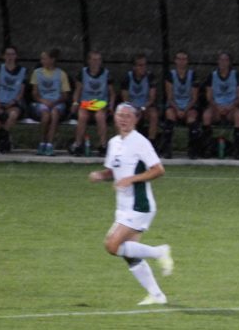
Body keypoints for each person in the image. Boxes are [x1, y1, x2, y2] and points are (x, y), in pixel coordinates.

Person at [87, 102, 174, 305]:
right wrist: (101, 175)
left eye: (128, 115)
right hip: (123, 206)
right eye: (120, 115)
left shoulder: (140, 142)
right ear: (115, 118)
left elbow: (158, 170)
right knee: (129, 252)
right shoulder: (114, 143)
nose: (124, 119)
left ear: (136, 119)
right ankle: (157, 295)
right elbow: (113, 172)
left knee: (112, 245)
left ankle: (159, 251)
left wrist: (131, 180)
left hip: (140, 205)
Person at [70, 50, 115, 157]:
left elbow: (112, 93)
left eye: (99, 60)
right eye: (94, 60)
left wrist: (111, 106)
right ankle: (78, 144)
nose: (96, 62)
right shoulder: (83, 73)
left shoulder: (106, 74)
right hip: (86, 102)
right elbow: (77, 90)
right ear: (89, 61)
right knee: (82, 116)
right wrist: (75, 103)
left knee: (100, 116)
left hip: (100, 102)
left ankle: (103, 145)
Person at [203, 51, 239, 158]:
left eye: (226, 60)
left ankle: (237, 149)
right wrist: (217, 107)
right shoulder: (212, 76)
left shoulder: (236, 75)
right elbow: (209, 97)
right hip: (216, 108)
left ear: (230, 62)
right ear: (218, 62)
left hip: (231, 108)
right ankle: (207, 148)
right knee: (206, 115)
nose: (223, 62)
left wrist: (230, 107)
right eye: (221, 60)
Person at [29, 48, 71, 156]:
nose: (42, 61)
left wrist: (55, 102)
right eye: (41, 59)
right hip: (42, 102)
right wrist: (42, 100)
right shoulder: (36, 73)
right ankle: (43, 141)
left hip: (57, 103)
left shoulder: (61, 74)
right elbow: (34, 93)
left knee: (55, 113)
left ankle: (50, 144)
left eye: (44, 58)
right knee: (45, 115)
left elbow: (65, 95)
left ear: (52, 60)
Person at [0, 45, 26, 154]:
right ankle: (4, 137)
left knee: (13, 115)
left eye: (12, 54)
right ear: (3, 56)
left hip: (13, 103)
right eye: (7, 54)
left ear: (16, 56)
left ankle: (2, 138)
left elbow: (20, 93)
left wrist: (12, 102)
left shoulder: (22, 71)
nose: (10, 57)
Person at [161, 50, 200, 159]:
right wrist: (178, 109)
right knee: (170, 115)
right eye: (179, 59)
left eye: (184, 59)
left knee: (192, 118)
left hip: (189, 105)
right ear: (175, 61)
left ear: (187, 61)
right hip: (174, 105)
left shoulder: (193, 75)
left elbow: (194, 98)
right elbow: (169, 97)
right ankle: (167, 149)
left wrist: (185, 110)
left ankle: (192, 150)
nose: (181, 62)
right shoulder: (170, 75)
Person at [120, 54, 158, 148]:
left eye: (144, 65)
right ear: (134, 67)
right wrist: (134, 110)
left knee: (154, 115)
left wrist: (142, 108)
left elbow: (152, 98)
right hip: (132, 107)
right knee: (127, 115)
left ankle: (151, 142)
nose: (143, 68)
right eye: (140, 65)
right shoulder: (127, 78)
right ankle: (129, 143)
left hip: (146, 106)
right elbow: (125, 99)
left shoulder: (150, 77)